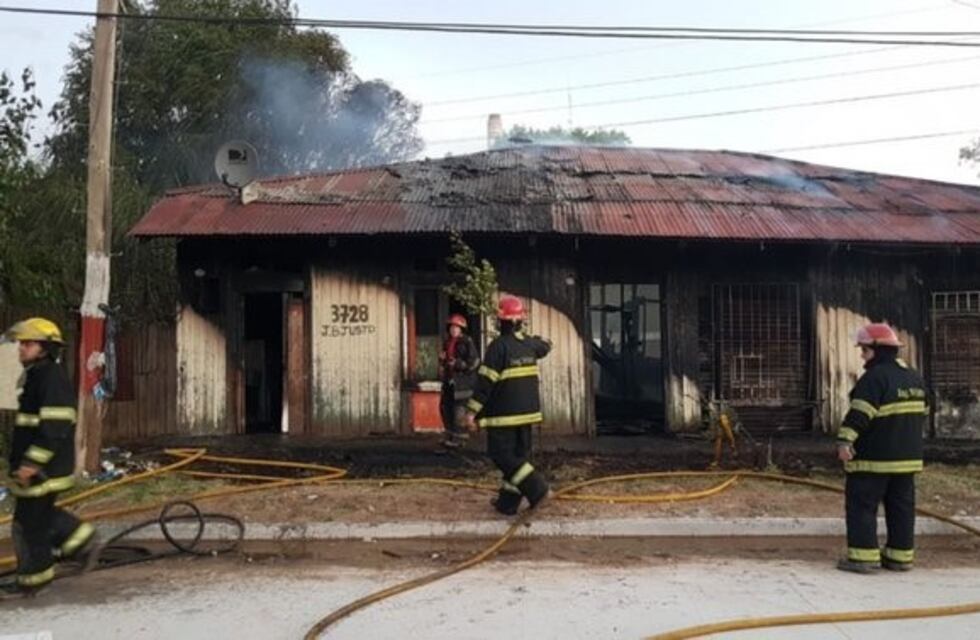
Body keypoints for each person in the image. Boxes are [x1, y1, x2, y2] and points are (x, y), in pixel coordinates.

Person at [2, 318, 99, 597]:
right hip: (39, 467)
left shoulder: (50, 378)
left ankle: (35, 582)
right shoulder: (36, 375)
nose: (21, 348)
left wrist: (31, 463)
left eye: (27, 343)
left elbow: (54, 426)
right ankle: (82, 543)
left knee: (30, 524)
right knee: (37, 519)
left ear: (44, 348)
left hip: (45, 469)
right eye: (20, 343)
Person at [835, 323, 927, 574]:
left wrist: (845, 442)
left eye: (864, 350)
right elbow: (924, 413)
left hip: (874, 459)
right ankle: (900, 557)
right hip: (907, 460)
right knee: (901, 508)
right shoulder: (914, 377)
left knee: (862, 506)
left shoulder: (874, 378)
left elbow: (860, 414)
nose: (862, 355)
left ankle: (863, 558)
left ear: (876, 349)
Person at [464, 296, 552, 515]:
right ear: (521, 320)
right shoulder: (530, 345)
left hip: (503, 416)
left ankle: (538, 489)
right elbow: (546, 346)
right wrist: (539, 340)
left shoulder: (498, 347)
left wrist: (471, 411)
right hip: (528, 415)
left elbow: (485, 383)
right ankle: (508, 503)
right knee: (518, 458)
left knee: (503, 457)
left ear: (500, 321)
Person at [439, 314, 480, 449]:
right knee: (445, 407)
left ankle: (460, 438)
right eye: (451, 327)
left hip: (463, 383)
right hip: (449, 381)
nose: (453, 330)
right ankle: (450, 435)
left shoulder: (467, 342)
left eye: (456, 327)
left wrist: (459, 364)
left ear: (461, 329)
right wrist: (442, 360)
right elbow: (445, 361)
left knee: (459, 410)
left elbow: (474, 362)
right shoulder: (447, 342)